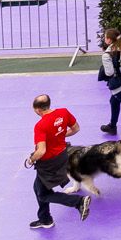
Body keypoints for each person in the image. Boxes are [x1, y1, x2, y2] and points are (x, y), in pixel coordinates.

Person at [26, 93, 91, 229]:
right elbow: (76, 129)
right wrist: (59, 135)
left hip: (48, 163)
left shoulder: (40, 125)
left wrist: (31, 159)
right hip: (62, 156)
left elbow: (41, 151)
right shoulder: (63, 112)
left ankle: (78, 202)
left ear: (38, 109)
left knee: (42, 194)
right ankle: (45, 219)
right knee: (37, 188)